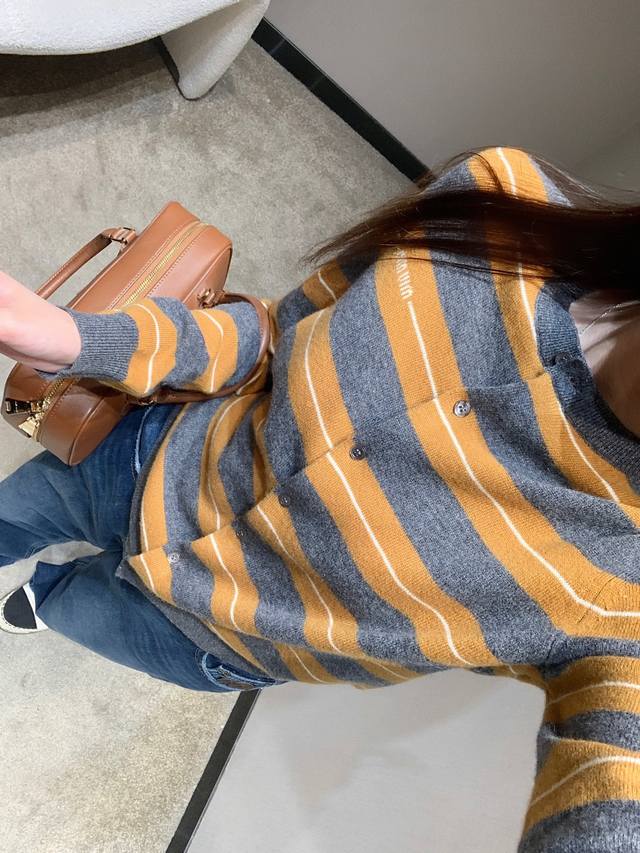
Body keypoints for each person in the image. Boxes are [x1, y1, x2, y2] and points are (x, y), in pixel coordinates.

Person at [1, 145, 640, 848]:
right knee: (11, 515)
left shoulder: (627, 595)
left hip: (204, 639)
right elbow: (274, 336)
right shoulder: (499, 208)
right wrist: (78, 338)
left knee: (77, 608)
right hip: (142, 455)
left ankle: (52, 594)